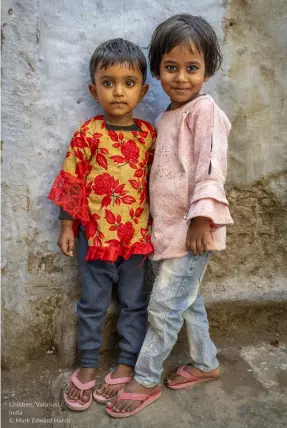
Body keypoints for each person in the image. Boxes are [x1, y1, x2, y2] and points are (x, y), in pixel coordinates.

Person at [106, 14, 233, 418]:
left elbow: (210, 166)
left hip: (194, 230)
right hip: (169, 231)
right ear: (158, 68)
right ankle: (206, 363)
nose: (180, 77)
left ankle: (144, 379)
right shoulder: (166, 117)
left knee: (162, 307)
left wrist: (202, 218)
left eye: (192, 68)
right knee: (187, 302)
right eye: (171, 67)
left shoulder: (205, 111)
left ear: (207, 71)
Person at [48, 38, 156, 411]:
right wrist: (66, 227)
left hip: (137, 240)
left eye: (128, 82)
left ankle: (127, 363)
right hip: (93, 239)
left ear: (142, 90)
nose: (118, 91)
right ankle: (88, 366)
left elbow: (160, 182)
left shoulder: (148, 136)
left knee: (133, 304)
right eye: (108, 82)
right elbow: (71, 181)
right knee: (92, 305)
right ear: (94, 89)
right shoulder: (88, 134)